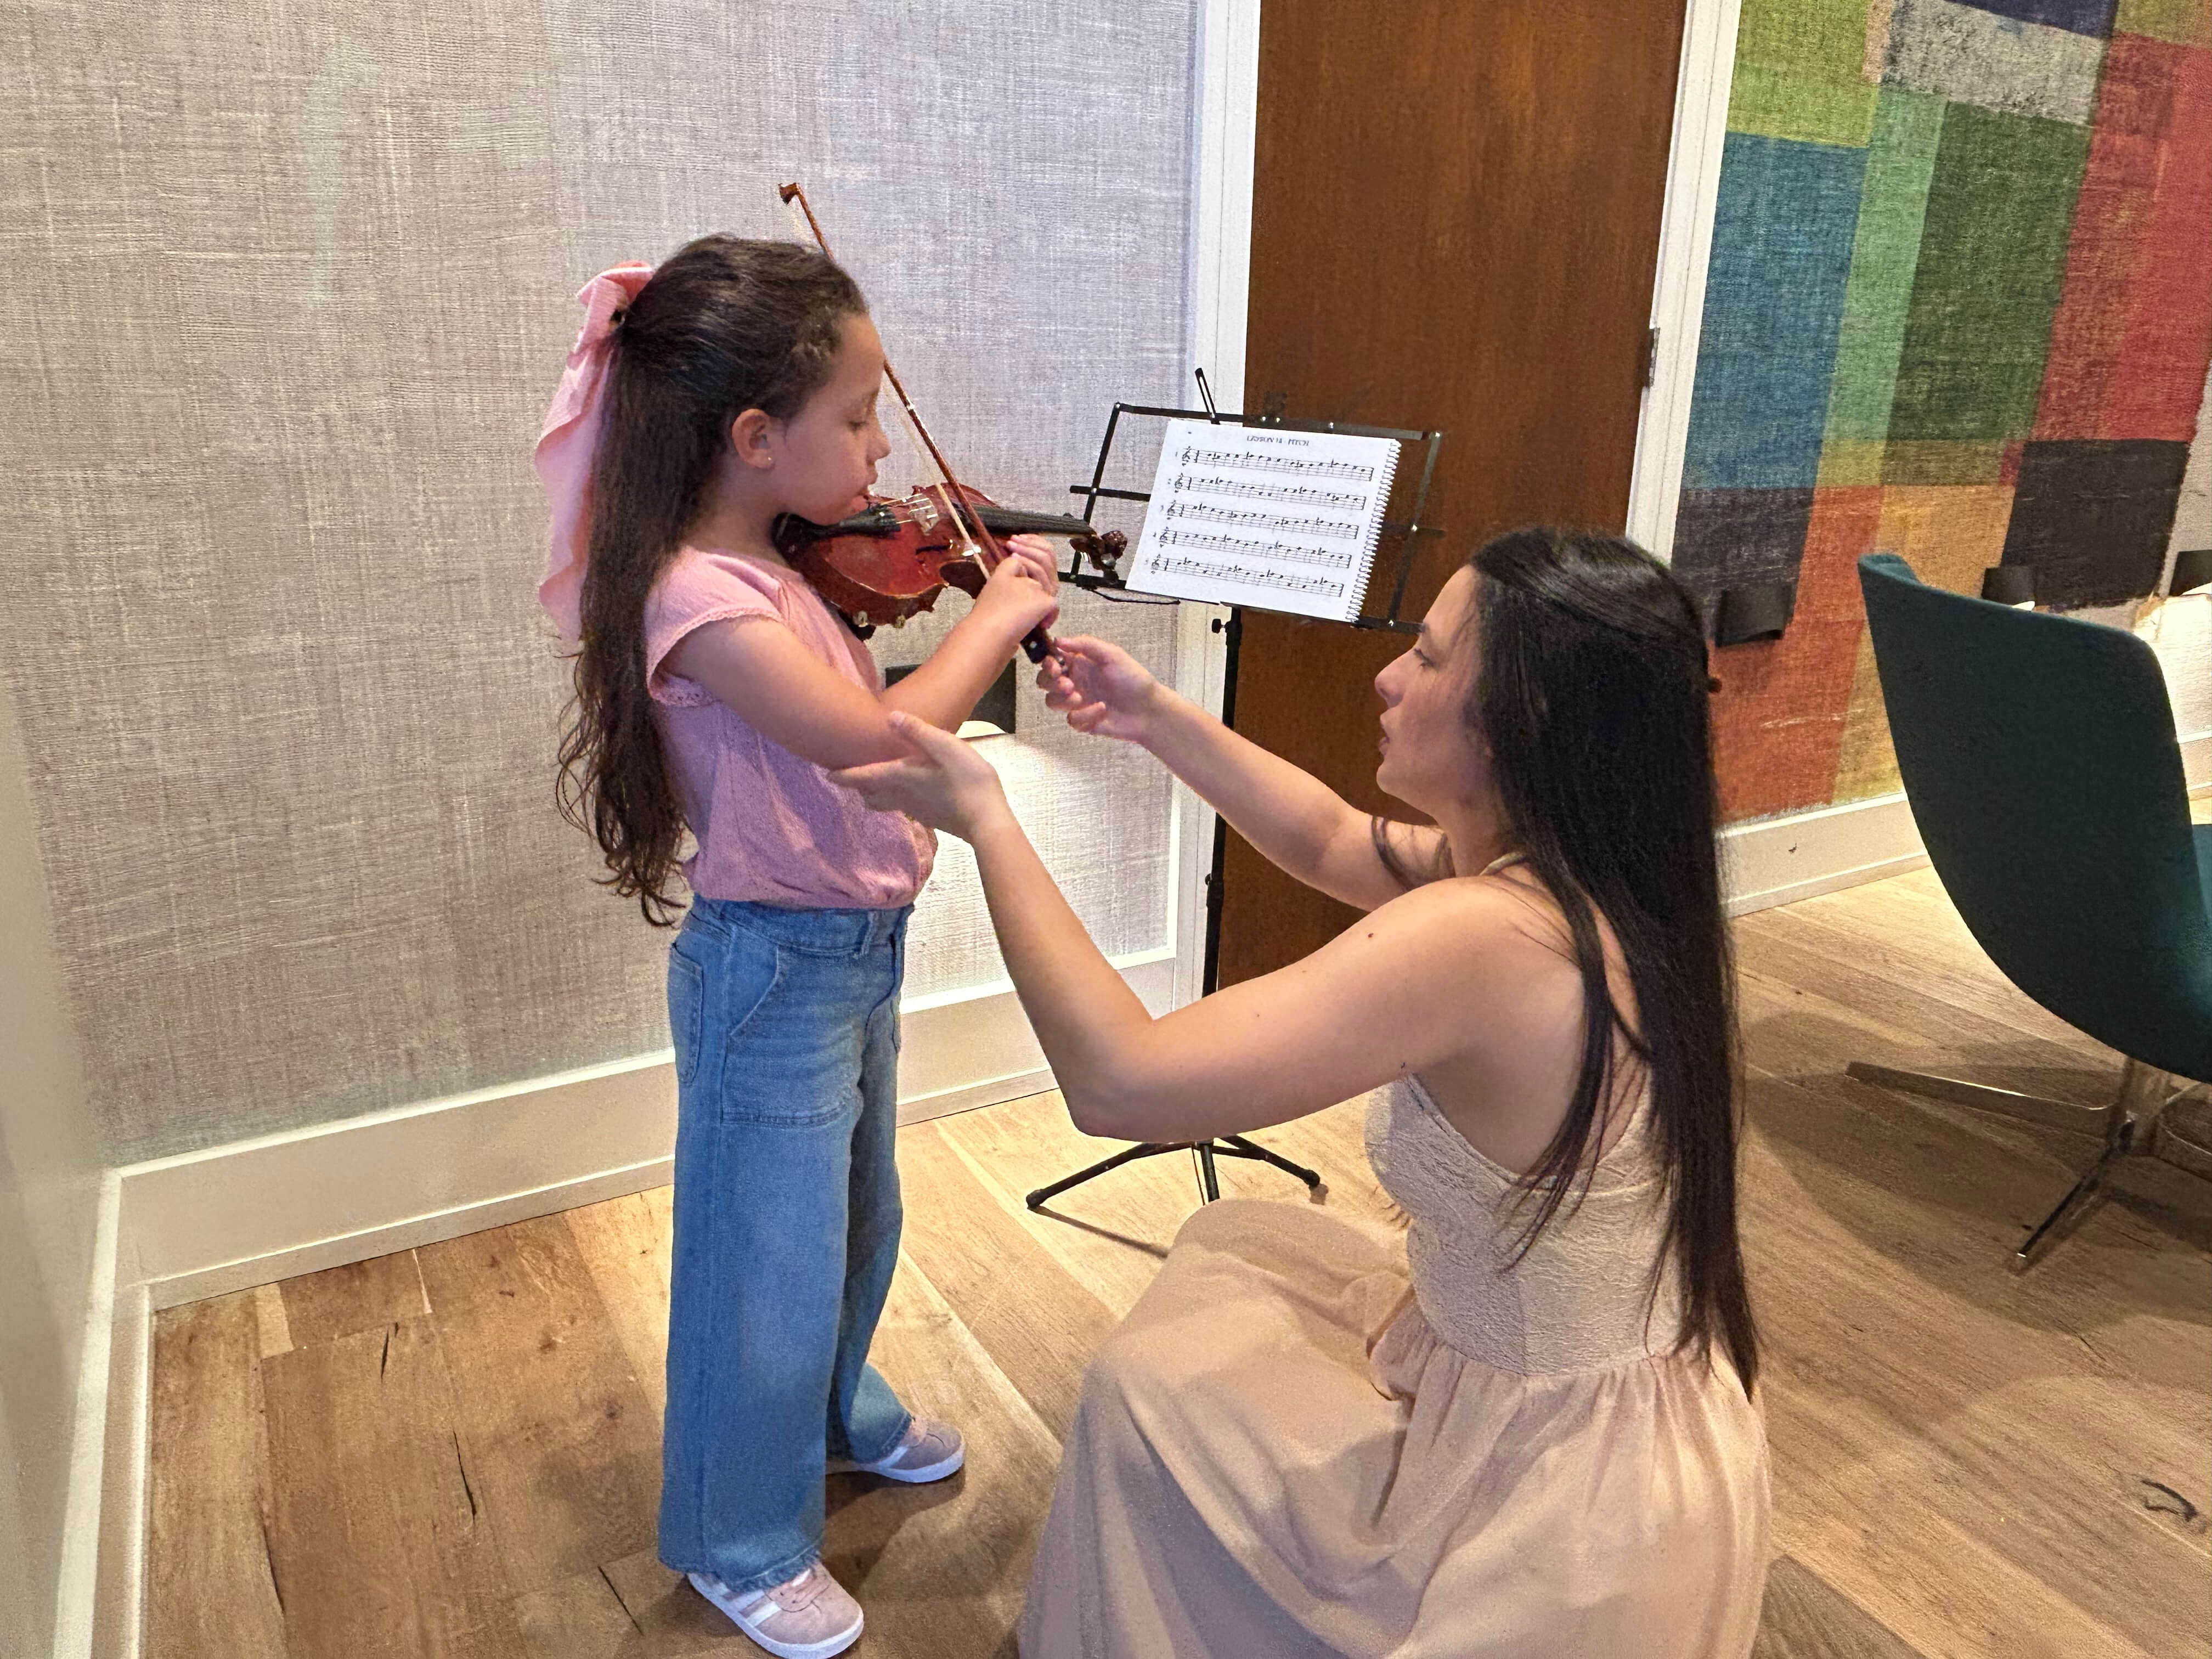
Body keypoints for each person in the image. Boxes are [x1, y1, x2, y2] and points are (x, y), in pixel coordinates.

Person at [834, 527, 1771, 1657]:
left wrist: (986, 818)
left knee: (1150, 1389)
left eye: (1426, 658)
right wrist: (1155, 717)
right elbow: (1329, 838)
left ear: (1521, 720)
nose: (1388, 675)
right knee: (1232, 1251)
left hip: (1554, 1489)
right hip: (1637, 1408)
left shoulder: (1485, 935)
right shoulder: (1595, 873)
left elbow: (1120, 1081)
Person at [535, 235, 1061, 1659]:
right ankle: (738, 1538)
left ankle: (830, 1418)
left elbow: (865, 677)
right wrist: (1004, 612)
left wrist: (952, 583)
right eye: (857, 417)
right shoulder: (698, 605)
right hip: (770, 972)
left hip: (853, 956)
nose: (881, 447)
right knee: (758, 1260)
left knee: (853, 1218)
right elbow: (879, 742)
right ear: (755, 440)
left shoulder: (778, 569)